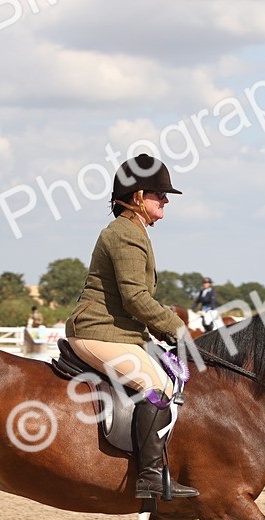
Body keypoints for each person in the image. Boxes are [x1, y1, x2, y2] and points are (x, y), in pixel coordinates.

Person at [65, 154, 197, 500]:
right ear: (138, 197)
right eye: (159, 194)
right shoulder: (125, 233)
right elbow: (135, 298)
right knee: (154, 386)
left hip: (119, 332)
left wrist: (161, 332)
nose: (165, 200)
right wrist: (178, 329)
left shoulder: (134, 230)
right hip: (97, 331)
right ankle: (151, 477)